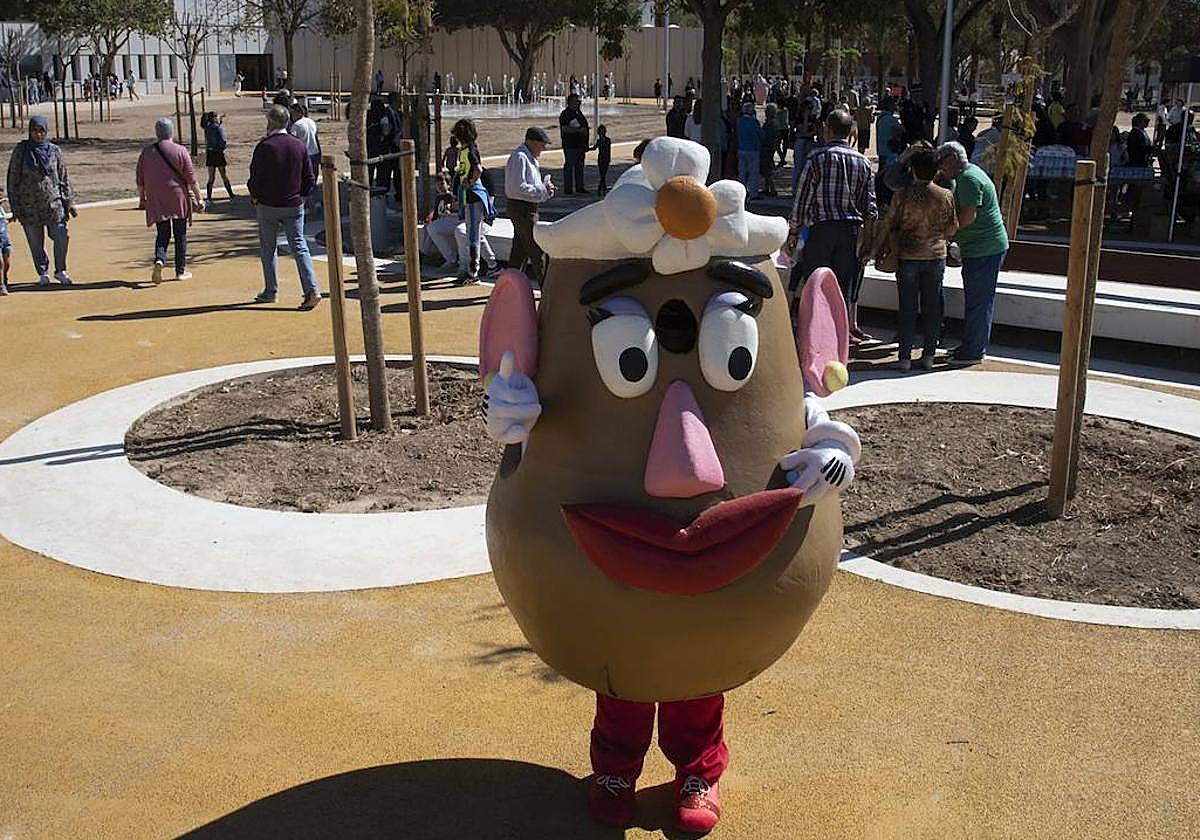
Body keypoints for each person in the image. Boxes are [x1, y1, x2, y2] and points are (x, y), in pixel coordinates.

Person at [788, 109, 878, 340]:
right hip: (850, 232)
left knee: (815, 285)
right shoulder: (864, 163)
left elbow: (802, 200)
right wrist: (868, 240)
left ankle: (813, 337)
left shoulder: (816, 158)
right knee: (842, 289)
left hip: (821, 231)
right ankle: (837, 339)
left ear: (827, 129)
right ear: (850, 133)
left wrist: (794, 231)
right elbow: (871, 207)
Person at [872, 147, 957, 371]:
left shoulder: (902, 194)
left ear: (913, 170)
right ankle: (929, 354)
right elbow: (951, 228)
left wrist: (874, 248)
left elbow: (888, 223)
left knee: (907, 308)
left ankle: (904, 357)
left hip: (908, 254)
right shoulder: (945, 195)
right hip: (936, 254)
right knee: (932, 307)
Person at [935, 140, 1008, 365]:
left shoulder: (967, 179)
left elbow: (968, 216)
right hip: (982, 248)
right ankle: (971, 344)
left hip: (984, 249)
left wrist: (946, 234)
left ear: (952, 159)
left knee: (979, 301)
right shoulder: (970, 174)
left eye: (942, 163)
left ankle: (974, 350)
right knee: (977, 300)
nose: (940, 169)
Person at [247, 104, 321, 310]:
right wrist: (303, 196)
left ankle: (271, 290)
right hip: (294, 203)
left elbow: (255, 178)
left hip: (268, 204)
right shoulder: (298, 146)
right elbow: (309, 176)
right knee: (299, 246)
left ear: (271, 122)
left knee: (268, 248)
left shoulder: (264, 146)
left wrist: (255, 196)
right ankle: (311, 289)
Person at [6, 116, 75, 286]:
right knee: (35, 243)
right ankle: (42, 272)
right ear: (30, 131)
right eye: (35, 131)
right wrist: (15, 207)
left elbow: (63, 177)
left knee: (61, 236)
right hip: (29, 207)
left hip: (53, 205)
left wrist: (69, 202)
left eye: (41, 131)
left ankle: (60, 270)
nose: (38, 134)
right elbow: (12, 179)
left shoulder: (54, 151)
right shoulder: (21, 151)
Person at [136, 118, 203, 284]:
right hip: (178, 196)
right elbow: (191, 178)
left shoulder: (146, 152)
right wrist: (199, 198)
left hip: (156, 197)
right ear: (171, 131)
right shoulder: (180, 150)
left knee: (162, 233)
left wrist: (142, 198)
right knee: (180, 234)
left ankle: (159, 259)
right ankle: (180, 271)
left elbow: (140, 179)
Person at [504, 126, 554, 285]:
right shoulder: (520, 157)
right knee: (536, 248)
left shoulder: (528, 157)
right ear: (531, 142)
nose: (544, 148)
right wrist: (541, 190)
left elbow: (526, 185)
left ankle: (509, 286)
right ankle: (547, 288)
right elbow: (518, 187)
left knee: (520, 250)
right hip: (523, 208)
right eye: (542, 144)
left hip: (525, 207)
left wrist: (545, 190)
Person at [450, 117, 494, 283]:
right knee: (471, 234)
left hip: (474, 197)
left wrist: (471, 182)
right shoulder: (465, 150)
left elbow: (478, 169)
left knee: (473, 237)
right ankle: (487, 266)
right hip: (468, 198)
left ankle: (472, 272)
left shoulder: (470, 150)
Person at [421, 173, 461, 267]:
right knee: (428, 228)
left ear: (448, 184)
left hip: (448, 221)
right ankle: (423, 253)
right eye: (437, 184)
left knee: (431, 229)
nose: (439, 186)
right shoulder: (438, 197)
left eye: (442, 183)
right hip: (439, 221)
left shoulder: (450, 197)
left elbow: (451, 210)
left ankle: (423, 253)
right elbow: (436, 212)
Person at [288, 101, 322, 208]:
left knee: (302, 181)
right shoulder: (311, 122)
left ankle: (305, 205)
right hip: (315, 153)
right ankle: (317, 202)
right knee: (313, 180)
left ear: (297, 113)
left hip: (304, 156)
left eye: (292, 113)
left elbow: (292, 143)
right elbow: (316, 139)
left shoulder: (296, 126)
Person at [558, 93, 590, 194]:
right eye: (577, 101)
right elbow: (564, 129)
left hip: (580, 145)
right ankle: (568, 189)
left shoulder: (579, 113)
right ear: (570, 102)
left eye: (579, 101)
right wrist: (578, 131)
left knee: (580, 167)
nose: (578, 103)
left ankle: (580, 187)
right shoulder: (565, 114)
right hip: (570, 145)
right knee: (569, 166)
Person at [201, 112, 236, 203]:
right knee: (224, 175)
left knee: (211, 177)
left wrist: (220, 121)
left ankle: (209, 197)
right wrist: (223, 147)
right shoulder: (218, 128)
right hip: (218, 153)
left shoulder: (207, 128)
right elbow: (222, 140)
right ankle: (231, 195)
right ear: (214, 118)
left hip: (210, 153)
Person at [736, 102, 762, 200]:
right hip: (753, 149)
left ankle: (741, 192)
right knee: (753, 173)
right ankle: (753, 193)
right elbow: (760, 134)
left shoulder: (739, 121)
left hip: (741, 148)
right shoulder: (754, 122)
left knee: (742, 173)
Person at [760, 104, 779, 196]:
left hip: (768, 147)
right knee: (766, 168)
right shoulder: (770, 122)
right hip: (768, 146)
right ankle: (767, 187)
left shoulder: (772, 123)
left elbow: (768, 136)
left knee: (767, 168)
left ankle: (772, 188)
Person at [591, 124, 613, 196]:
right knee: (602, 175)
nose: (602, 133)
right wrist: (586, 149)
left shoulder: (608, 140)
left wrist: (609, 158)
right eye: (600, 132)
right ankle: (603, 189)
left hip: (606, 159)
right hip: (600, 159)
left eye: (603, 132)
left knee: (603, 175)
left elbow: (609, 150)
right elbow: (594, 148)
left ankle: (601, 188)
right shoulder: (599, 141)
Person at [0, 186, 11, 294]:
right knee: (0, 263)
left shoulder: (1, 210)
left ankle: (4, 279)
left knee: (6, 262)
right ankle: (1, 286)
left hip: (4, 237)